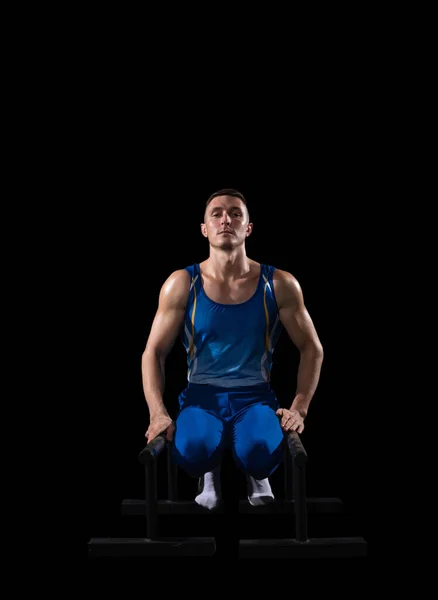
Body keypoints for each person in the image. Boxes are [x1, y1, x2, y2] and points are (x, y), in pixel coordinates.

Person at [141, 189, 324, 510]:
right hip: (201, 396)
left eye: (236, 213)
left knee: (260, 453)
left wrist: (299, 408)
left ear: (248, 227)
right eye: (217, 213)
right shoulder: (182, 283)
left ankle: (257, 475)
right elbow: (153, 352)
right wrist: (157, 413)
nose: (226, 219)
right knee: (193, 451)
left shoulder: (278, 283)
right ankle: (208, 472)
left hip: (255, 397)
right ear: (204, 228)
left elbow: (312, 348)